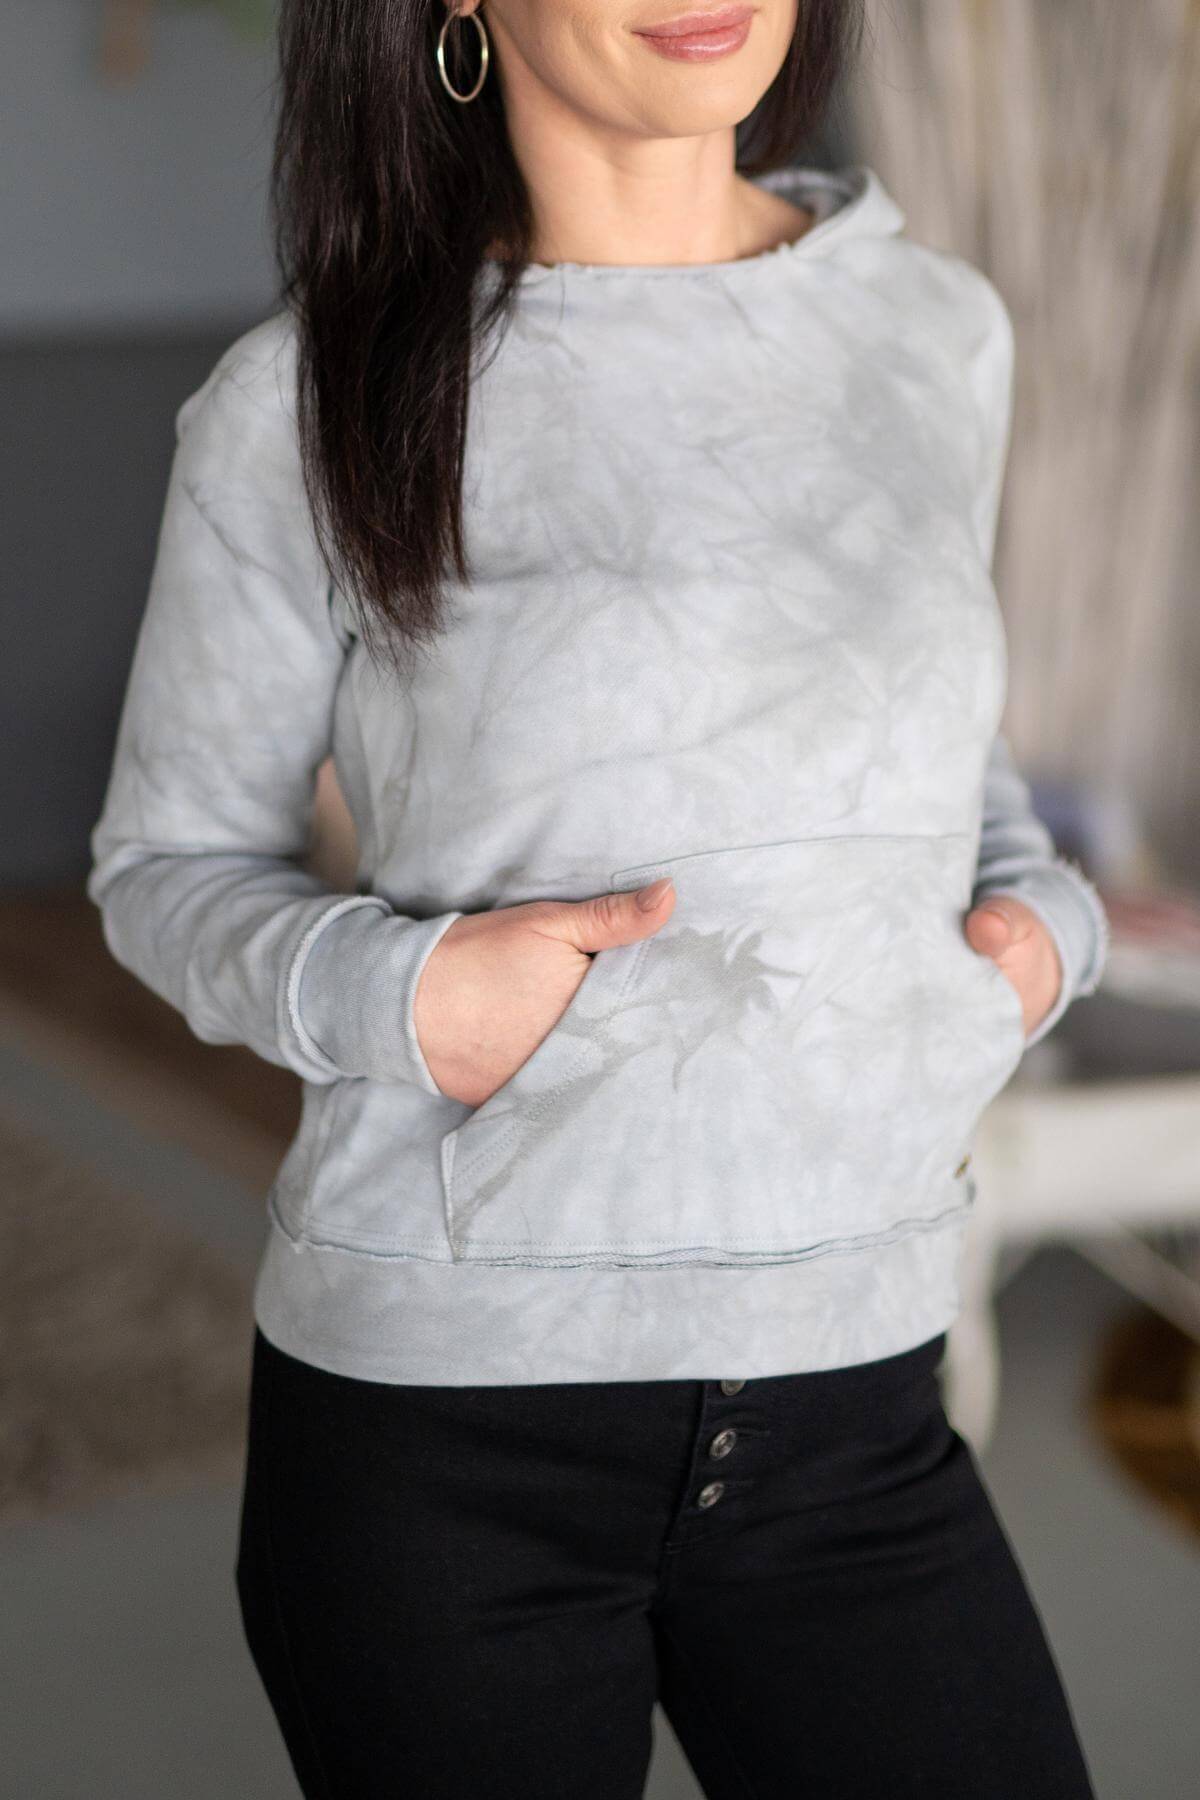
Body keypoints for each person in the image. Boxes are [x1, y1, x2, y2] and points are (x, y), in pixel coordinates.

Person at [88, 2, 1108, 1794]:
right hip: (450, 1449)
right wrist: (408, 998)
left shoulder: (931, 330)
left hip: (861, 1407)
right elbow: (166, 869)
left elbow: (954, 757)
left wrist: (1038, 943)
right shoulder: (312, 392)